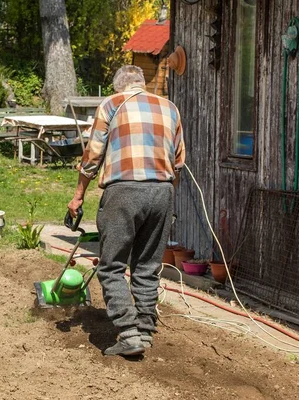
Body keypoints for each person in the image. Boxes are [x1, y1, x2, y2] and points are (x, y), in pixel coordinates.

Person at [67, 65, 185, 356]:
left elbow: (92, 155)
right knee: (147, 266)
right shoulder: (169, 108)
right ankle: (144, 330)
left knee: (111, 266)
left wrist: (78, 195)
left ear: (119, 87)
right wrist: (165, 197)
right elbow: (178, 162)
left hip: (123, 191)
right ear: (142, 84)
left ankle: (128, 331)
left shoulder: (112, 104)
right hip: (162, 191)